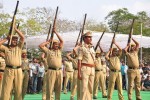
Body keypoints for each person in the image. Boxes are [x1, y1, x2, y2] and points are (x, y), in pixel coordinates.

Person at [0, 25, 24, 100]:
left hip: (18, 70)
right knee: (6, 88)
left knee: (18, 89)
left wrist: (16, 29)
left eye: (16, 40)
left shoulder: (19, 47)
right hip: (8, 70)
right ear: (10, 40)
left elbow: (23, 38)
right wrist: (6, 39)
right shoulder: (6, 48)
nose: (15, 41)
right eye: (13, 40)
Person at [39, 27, 64, 100]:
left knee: (59, 88)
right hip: (51, 71)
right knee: (50, 88)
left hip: (59, 71)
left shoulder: (59, 51)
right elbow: (40, 46)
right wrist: (49, 41)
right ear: (52, 45)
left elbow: (62, 41)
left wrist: (56, 32)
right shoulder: (48, 51)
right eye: (55, 44)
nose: (56, 45)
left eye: (57, 44)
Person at [78, 31, 95, 100]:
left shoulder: (91, 48)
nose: (90, 38)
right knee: (84, 88)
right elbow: (79, 60)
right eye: (89, 37)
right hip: (85, 68)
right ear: (84, 38)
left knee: (91, 88)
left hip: (92, 68)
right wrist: (79, 73)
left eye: (91, 37)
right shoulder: (81, 48)